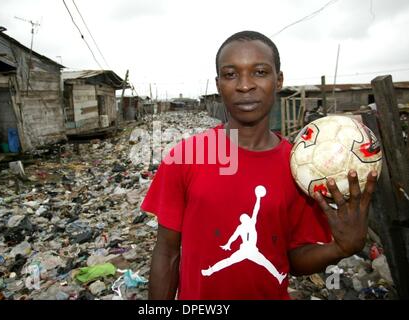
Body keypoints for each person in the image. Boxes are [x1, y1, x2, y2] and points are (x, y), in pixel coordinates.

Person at [141, 30, 377, 300]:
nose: (245, 85)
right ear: (218, 84)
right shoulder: (186, 156)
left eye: (260, 72)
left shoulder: (302, 169)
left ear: (279, 80)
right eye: (231, 74)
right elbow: (167, 253)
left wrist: (340, 248)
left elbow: (293, 260)